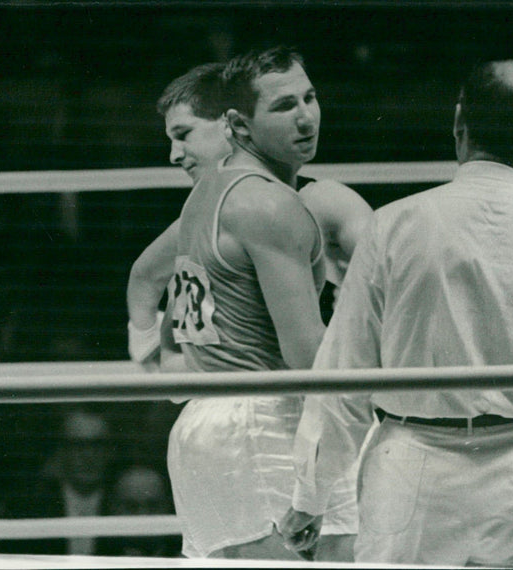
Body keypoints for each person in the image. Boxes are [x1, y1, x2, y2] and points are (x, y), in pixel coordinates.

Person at [280, 59, 513, 568]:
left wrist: (309, 497)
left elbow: (343, 375)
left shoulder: (392, 229)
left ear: (458, 123)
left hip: (412, 472)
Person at [126, 48, 370, 561]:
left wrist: (161, 366)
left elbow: (147, 281)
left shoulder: (204, 195)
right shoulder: (269, 203)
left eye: (310, 97)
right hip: (266, 427)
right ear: (240, 124)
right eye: (284, 106)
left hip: (208, 426)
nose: (306, 117)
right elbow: (309, 360)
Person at [0, 405, 115, 556]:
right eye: (78, 446)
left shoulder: (122, 504)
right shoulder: (29, 507)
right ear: (62, 451)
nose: (89, 456)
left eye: (97, 445)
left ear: (110, 451)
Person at [98, 464, 181, 558]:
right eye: (131, 507)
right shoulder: (90, 563)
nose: (143, 514)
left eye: (153, 506)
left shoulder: (189, 563)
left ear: (168, 506)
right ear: (113, 509)